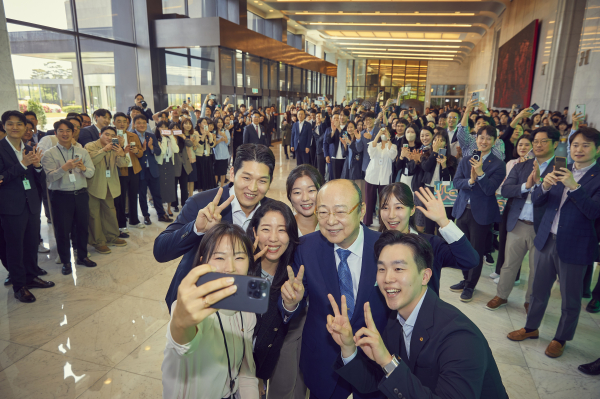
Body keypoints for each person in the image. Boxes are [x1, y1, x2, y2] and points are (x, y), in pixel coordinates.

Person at [327, 231, 508, 399]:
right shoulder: (394, 320)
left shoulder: (460, 337)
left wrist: (388, 362)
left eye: (398, 269)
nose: (387, 278)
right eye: (381, 269)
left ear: (425, 276)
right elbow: (374, 383)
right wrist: (348, 347)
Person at [279, 179, 389, 399]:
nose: (330, 221)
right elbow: (292, 300)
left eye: (340, 212)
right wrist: (291, 302)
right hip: (323, 363)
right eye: (323, 212)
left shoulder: (386, 247)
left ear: (362, 210)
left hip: (374, 365)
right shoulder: (306, 249)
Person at [507, 127, 600, 358]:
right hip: (546, 238)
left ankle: (561, 338)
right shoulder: (560, 168)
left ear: (597, 149)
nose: (578, 150)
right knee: (538, 290)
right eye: (575, 145)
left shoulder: (596, 177)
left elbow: (593, 212)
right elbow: (539, 200)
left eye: (585, 145)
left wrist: (574, 186)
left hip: (575, 245)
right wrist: (544, 185)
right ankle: (531, 328)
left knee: (570, 298)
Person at [157, 144, 276, 310]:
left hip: (245, 302)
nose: (253, 188)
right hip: (199, 301)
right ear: (233, 173)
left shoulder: (273, 212)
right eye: (246, 178)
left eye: (262, 181)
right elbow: (161, 251)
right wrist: (196, 229)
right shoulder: (202, 203)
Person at [162, 223, 259, 399]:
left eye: (239, 257)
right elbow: (181, 343)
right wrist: (180, 323)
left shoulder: (247, 312)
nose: (230, 267)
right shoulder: (193, 310)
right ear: (202, 262)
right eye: (220, 258)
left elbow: (245, 372)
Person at [486, 130, 556, 312]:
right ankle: (501, 295)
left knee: (536, 269)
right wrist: (527, 185)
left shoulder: (559, 169)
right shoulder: (520, 166)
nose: (538, 145)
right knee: (509, 264)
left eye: (544, 141)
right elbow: (506, 190)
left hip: (542, 228)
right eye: (536, 141)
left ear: (555, 144)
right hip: (517, 223)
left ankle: (529, 301)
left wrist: (542, 185)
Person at [377, 183, 479, 295]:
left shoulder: (431, 244)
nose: (391, 215)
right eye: (385, 207)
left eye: (399, 207)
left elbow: (470, 260)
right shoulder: (374, 243)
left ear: (412, 210)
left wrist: (443, 221)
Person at [247, 202, 305, 399]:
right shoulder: (242, 266)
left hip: (265, 366)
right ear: (254, 231)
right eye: (265, 229)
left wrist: (291, 304)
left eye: (282, 230)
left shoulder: (293, 274)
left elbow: (272, 329)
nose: (273, 238)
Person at [0, 111, 54, 303]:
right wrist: (23, 165)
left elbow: (39, 180)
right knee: (15, 247)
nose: (15, 127)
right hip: (10, 206)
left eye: (19, 124)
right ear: (4, 126)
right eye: (10, 124)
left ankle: (31, 277)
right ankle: (19, 285)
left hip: (31, 204)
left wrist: (38, 166)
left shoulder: (30, 148)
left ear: (25, 127)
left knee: (31, 243)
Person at [449, 125, 506, 302]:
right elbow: (457, 182)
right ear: (476, 139)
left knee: (475, 251)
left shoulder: (498, 164)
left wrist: (480, 173)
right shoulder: (466, 159)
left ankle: (471, 286)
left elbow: (490, 190)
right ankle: (465, 279)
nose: (484, 141)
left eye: (489, 138)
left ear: (495, 141)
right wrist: (471, 181)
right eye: (481, 137)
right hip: (462, 210)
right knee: (461, 247)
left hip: (481, 214)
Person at [41, 119, 96, 274]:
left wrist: (84, 167)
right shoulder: (49, 153)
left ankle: (83, 257)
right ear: (55, 133)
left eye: (68, 131)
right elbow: (50, 177)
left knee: (82, 228)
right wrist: (64, 168)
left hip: (81, 194)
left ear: (73, 133)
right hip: (60, 196)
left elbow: (91, 172)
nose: (64, 134)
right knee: (62, 230)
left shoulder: (82, 151)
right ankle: (66, 261)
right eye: (61, 131)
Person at [84, 126, 129, 254]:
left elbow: (123, 165)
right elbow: (90, 161)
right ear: (100, 134)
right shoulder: (90, 146)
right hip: (94, 184)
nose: (109, 138)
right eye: (106, 134)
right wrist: (104, 150)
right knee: (94, 214)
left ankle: (112, 237)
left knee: (110, 211)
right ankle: (98, 242)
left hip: (110, 184)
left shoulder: (115, 146)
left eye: (112, 136)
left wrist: (121, 153)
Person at [132, 114, 172, 225]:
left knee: (157, 194)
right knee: (143, 195)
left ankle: (161, 214)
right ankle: (146, 216)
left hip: (153, 169)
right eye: (139, 123)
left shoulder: (151, 136)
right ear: (134, 124)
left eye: (144, 123)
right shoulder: (132, 136)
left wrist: (151, 148)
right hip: (140, 170)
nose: (141, 125)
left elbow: (158, 152)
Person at [113, 112, 144, 231]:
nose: (122, 124)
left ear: (128, 123)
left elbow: (141, 153)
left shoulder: (133, 135)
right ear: (114, 122)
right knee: (120, 199)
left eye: (124, 122)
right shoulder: (113, 137)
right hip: (121, 171)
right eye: (119, 121)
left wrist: (136, 151)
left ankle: (134, 220)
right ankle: (121, 224)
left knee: (133, 196)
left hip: (134, 169)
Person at [363, 128, 398, 227]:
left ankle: (383, 222)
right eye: (382, 132)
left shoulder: (393, 146)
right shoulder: (375, 144)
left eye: (386, 132)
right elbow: (371, 153)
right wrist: (377, 135)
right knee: (369, 199)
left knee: (384, 201)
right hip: (372, 176)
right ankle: (367, 221)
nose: (383, 134)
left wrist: (388, 139)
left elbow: (392, 155)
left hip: (385, 177)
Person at [286, 164, 323, 237]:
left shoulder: (331, 226)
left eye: (311, 190)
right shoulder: (285, 228)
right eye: (297, 192)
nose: (305, 198)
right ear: (290, 196)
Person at [155, 122, 179, 217]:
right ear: (158, 128)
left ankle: (169, 208)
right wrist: (164, 137)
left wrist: (171, 137)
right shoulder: (156, 139)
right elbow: (162, 151)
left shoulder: (171, 138)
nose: (163, 129)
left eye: (165, 127)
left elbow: (176, 150)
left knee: (170, 187)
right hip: (160, 164)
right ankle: (161, 209)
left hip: (170, 164)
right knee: (160, 187)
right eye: (161, 127)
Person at [214, 117, 231, 187]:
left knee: (223, 172)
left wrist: (224, 136)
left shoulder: (226, 131)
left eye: (221, 122)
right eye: (218, 122)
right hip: (216, 155)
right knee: (215, 172)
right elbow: (213, 144)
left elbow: (228, 143)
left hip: (224, 155)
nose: (220, 124)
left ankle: (221, 186)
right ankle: (215, 187)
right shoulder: (213, 132)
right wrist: (219, 140)